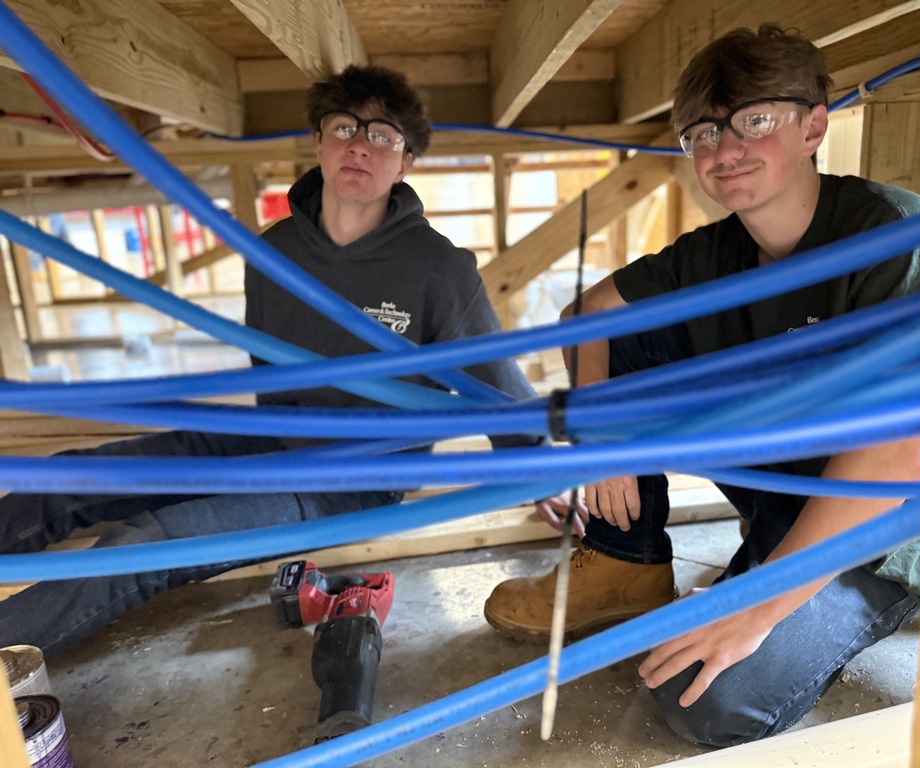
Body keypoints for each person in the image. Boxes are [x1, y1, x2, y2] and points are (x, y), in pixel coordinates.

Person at [484, 24, 920, 747]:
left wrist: (757, 604)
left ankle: (815, 589)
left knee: (705, 695)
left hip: (877, 525)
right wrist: (603, 432)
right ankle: (627, 561)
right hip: (778, 492)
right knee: (631, 341)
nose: (723, 149)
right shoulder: (716, 251)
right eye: (701, 132)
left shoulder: (895, 237)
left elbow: (897, 461)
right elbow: (585, 317)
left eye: (754, 120)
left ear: (814, 126)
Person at [0, 65, 542, 658]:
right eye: (343, 128)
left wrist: (541, 469)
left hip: (356, 479)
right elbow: (270, 375)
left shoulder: (439, 268)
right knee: (67, 479)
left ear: (405, 162)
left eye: (382, 135)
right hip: (275, 437)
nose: (360, 145)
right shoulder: (273, 254)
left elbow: (499, 386)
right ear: (318, 142)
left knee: (144, 543)